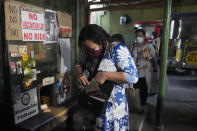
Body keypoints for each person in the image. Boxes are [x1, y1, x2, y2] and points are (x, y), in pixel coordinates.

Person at [75, 24, 138, 130]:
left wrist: (105, 75)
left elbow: (133, 76)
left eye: (92, 48)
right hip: (94, 104)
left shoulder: (117, 49)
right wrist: (79, 74)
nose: (90, 52)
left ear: (101, 40)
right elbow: (78, 64)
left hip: (112, 108)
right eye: (87, 49)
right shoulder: (88, 52)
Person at [131, 29, 159, 112]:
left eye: (140, 35)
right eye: (137, 36)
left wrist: (146, 56)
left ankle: (142, 106)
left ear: (144, 36)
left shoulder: (149, 46)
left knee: (144, 89)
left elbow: (152, 58)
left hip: (145, 71)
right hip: (135, 71)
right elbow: (131, 58)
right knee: (135, 89)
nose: (138, 37)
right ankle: (136, 104)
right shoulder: (134, 46)